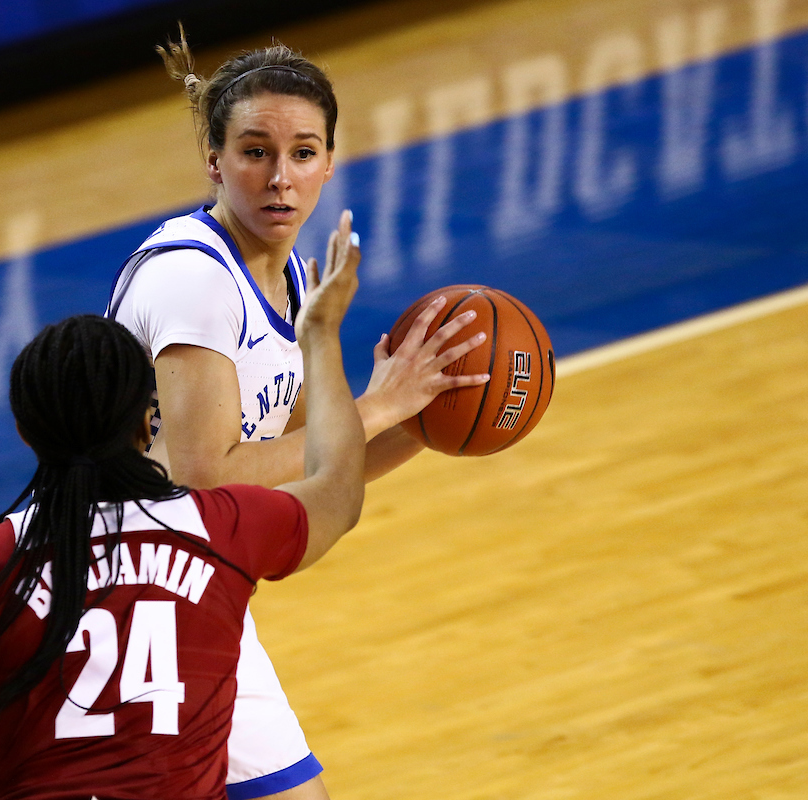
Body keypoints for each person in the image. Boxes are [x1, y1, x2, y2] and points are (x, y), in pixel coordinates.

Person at [0, 215, 366, 798]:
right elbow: (337, 490)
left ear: (25, 432)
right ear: (148, 420)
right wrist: (321, 337)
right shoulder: (221, 526)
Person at [105, 31, 490, 800]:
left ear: (329, 163)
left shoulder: (288, 286)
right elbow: (204, 477)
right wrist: (379, 403)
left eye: (303, 153)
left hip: (181, 587)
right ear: (214, 161)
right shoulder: (194, 279)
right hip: (119, 588)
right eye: (255, 151)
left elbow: (320, 465)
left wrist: (425, 417)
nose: (281, 178)